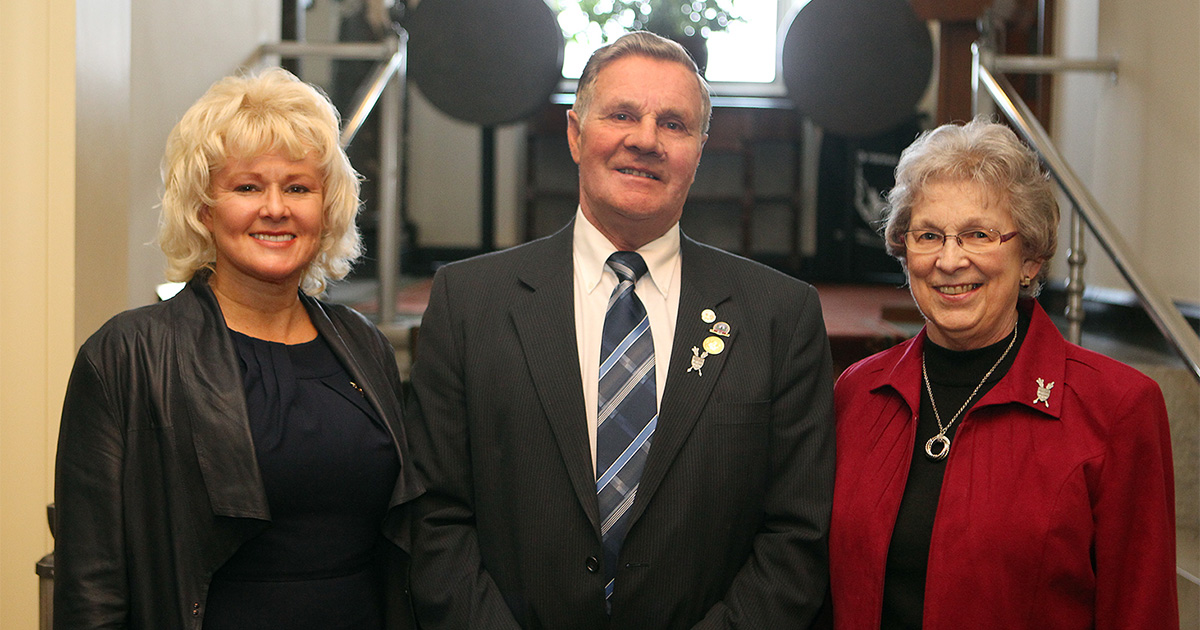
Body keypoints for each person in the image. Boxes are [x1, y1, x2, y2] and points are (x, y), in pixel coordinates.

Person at [406, 31, 835, 629]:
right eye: (623, 115)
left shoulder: (779, 316)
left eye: (674, 124)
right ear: (576, 134)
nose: (645, 140)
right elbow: (435, 517)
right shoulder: (469, 303)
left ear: (700, 149)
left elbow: (797, 534)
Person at [53, 68, 421, 630]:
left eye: (298, 187)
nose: (275, 209)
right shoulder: (127, 356)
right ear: (204, 208)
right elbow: (91, 584)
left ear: (326, 209)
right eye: (247, 187)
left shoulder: (362, 344)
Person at [829, 118, 1178, 629]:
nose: (950, 260)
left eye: (979, 234)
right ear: (905, 251)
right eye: (928, 235)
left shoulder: (1118, 408)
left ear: (1031, 258)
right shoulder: (858, 392)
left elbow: (1140, 609)